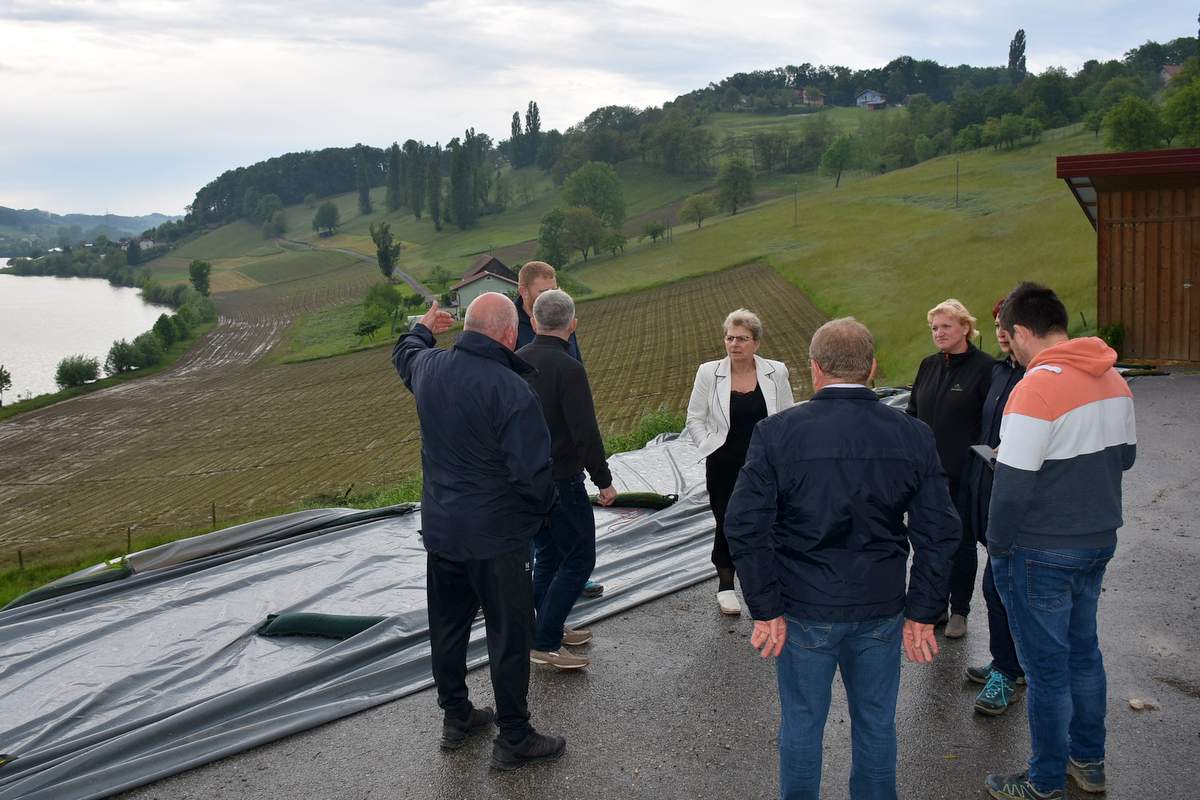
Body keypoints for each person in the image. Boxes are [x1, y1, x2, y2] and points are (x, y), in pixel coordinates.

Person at [725, 317, 960, 800]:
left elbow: (744, 525)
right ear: (872, 368)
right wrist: (922, 609)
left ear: (814, 370)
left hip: (803, 608)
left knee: (802, 723)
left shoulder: (776, 433)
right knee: (876, 724)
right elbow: (939, 530)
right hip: (881, 606)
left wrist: (766, 607)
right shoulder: (912, 434)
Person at [392, 293, 566, 771]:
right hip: (496, 539)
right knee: (509, 635)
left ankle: (457, 716)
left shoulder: (429, 369)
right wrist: (548, 511)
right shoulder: (511, 390)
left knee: (447, 628)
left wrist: (424, 325)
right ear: (509, 334)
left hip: (443, 532)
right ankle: (513, 736)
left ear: (469, 328)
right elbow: (533, 476)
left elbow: (403, 352)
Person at [984, 283, 1136, 800]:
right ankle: (1088, 762)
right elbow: (1126, 456)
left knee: (1046, 672)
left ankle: (1044, 780)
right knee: (1083, 655)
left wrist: (998, 545)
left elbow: (1011, 487)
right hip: (1097, 539)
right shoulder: (1113, 377)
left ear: (1024, 332)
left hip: (1040, 547)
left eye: (1011, 336)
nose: (1011, 346)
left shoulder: (1035, 386)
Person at [516, 289, 617, 671]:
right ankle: (544, 641)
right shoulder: (569, 368)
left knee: (549, 556)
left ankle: (544, 627)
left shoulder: (517, 362)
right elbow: (584, 432)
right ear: (572, 325)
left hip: (527, 483)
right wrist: (603, 480)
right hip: (562, 481)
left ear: (534, 321)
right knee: (579, 558)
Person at [684, 308, 794, 616]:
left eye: (742, 339)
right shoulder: (709, 372)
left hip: (764, 463)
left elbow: (786, 416)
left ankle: (771, 584)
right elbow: (695, 417)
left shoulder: (776, 371)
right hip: (724, 463)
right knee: (728, 521)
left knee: (769, 520)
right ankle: (726, 586)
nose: (735, 344)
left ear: (756, 343)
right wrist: (709, 445)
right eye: (730, 338)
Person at [906, 298, 994, 639]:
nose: (939, 333)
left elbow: (988, 425)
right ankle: (933, 606)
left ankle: (959, 611)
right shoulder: (928, 365)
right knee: (926, 541)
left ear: (965, 328)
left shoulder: (986, 368)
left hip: (965, 475)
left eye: (946, 326)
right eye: (934, 328)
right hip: (926, 475)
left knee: (960, 544)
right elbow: (912, 413)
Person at [513, 260, 600, 598]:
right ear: (524, 293)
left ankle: (559, 594)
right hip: (534, 451)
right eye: (542, 292)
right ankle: (543, 617)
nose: (549, 297)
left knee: (555, 544)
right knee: (547, 541)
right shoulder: (511, 327)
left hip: (560, 447)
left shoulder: (560, 323)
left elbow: (572, 364)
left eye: (553, 290)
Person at [962, 297, 1027, 716]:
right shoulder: (1000, 371)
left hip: (1022, 499)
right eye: (998, 325)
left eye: (1010, 326)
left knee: (1001, 587)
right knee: (998, 585)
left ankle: (1010, 671)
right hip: (990, 484)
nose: (1001, 332)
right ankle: (1007, 662)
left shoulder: (1035, 376)